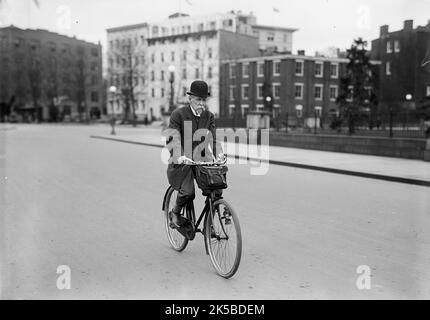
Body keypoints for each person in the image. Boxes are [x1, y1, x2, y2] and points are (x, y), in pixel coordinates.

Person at [165, 80, 225, 228]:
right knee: (188, 192)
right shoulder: (178, 114)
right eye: (198, 99)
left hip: (202, 159)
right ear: (190, 98)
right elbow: (172, 137)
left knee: (216, 189)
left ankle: (209, 223)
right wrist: (179, 155)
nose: (201, 103)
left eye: (204, 99)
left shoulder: (209, 116)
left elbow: (214, 138)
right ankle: (175, 212)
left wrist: (219, 154)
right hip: (182, 161)